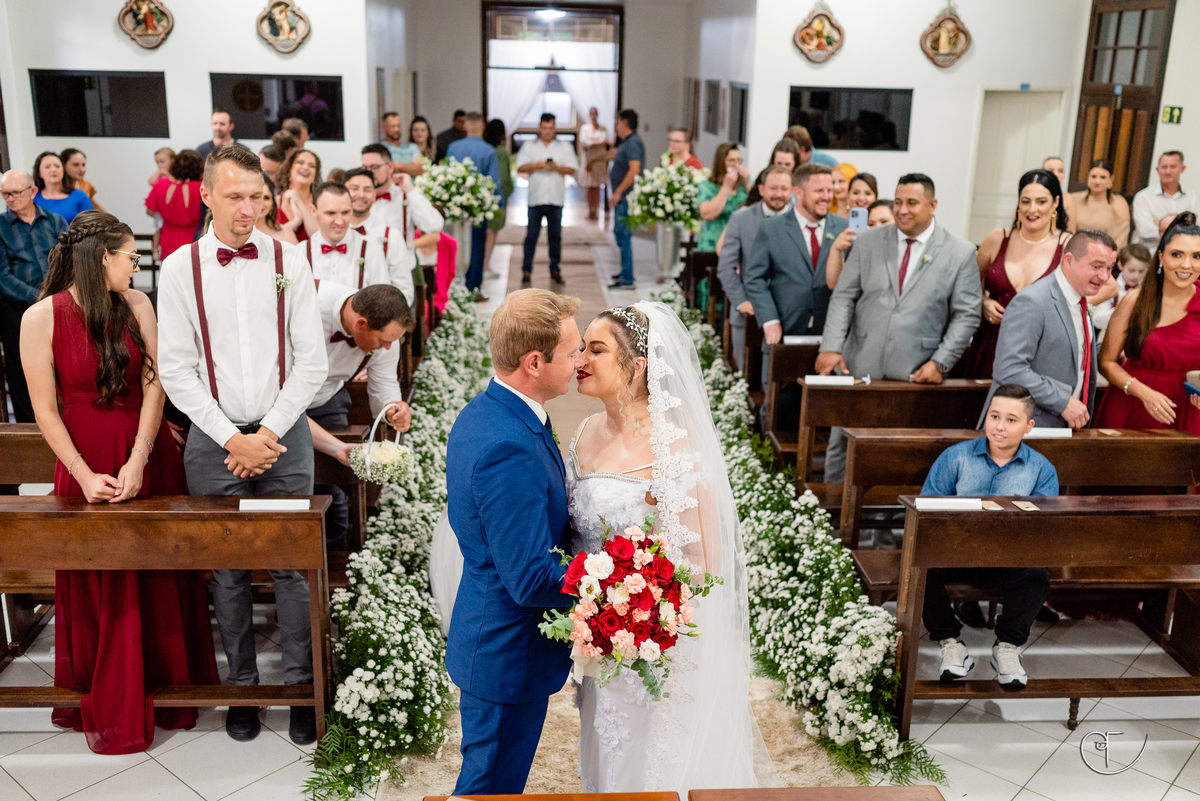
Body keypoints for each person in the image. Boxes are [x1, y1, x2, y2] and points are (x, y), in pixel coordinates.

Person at [20, 210, 220, 753]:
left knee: (157, 570)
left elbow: (156, 383)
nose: (137, 265)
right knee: (100, 574)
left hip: (145, 455)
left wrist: (140, 457)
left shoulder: (137, 304)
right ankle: (104, 689)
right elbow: (45, 410)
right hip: (82, 459)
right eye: (131, 256)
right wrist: (84, 474)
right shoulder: (39, 318)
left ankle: (166, 686)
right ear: (101, 257)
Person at [157, 144, 328, 745]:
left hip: (283, 436)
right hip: (214, 439)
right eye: (235, 196)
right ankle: (244, 691)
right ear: (206, 195)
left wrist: (269, 433)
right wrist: (234, 436)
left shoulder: (290, 259)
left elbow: (312, 360)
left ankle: (302, 689)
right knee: (226, 571)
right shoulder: (178, 268)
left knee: (293, 569)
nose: (248, 209)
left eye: (258, 196)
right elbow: (176, 371)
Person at [571, 303, 767, 794]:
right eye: (581, 347)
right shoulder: (583, 433)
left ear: (637, 367)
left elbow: (706, 563)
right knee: (605, 738)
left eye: (597, 350)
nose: (581, 359)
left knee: (648, 753)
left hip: (652, 638)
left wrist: (644, 616)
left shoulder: (675, 451)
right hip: (596, 629)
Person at [445, 289, 583, 794]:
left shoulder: (489, 411)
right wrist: (613, 576)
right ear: (533, 362)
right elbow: (529, 578)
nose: (580, 361)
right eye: (572, 352)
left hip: (493, 632)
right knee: (489, 788)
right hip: (507, 649)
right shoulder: (509, 446)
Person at [818, 173, 982, 481]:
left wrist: (940, 361)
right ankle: (830, 520)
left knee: (900, 453)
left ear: (933, 205)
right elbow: (843, 297)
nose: (902, 210)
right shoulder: (867, 241)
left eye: (911, 203)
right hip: (860, 362)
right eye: (897, 202)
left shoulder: (959, 252)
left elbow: (967, 314)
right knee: (842, 444)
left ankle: (889, 524)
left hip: (915, 371)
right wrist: (831, 346)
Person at [922, 384, 1058, 690]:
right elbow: (929, 512)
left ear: (1029, 426)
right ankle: (951, 642)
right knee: (920, 566)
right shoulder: (954, 457)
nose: (999, 426)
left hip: (1009, 555)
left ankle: (1007, 647)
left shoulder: (1041, 469)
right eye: (994, 416)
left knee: (1036, 574)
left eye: (1011, 420)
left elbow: (1043, 526)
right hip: (957, 550)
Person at [309, 280, 413, 550]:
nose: (388, 347)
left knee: (338, 489)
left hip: (326, 399)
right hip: (276, 399)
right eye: (384, 341)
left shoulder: (384, 333)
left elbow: (384, 383)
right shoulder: (308, 306)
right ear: (360, 325)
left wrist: (393, 407)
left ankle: (338, 560)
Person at [983, 228, 1118, 429]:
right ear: (1069, 260)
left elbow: (1069, 351)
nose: (1105, 276)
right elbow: (1009, 370)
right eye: (1097, 266)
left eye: (1110, 268)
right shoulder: (1033, 301)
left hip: (1061, 428)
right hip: (1027, 428)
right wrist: (1062, 400)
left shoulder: (1078, 298)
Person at [745, 164, 846, 426]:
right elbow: (755, 278)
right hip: (786, 330)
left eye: (829, 190)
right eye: (819, 190)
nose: (827, 196)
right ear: (798, 193)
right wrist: (769, 320)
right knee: (779, 407)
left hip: (830, 333)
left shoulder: (843, 228)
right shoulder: (772, 229)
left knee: (827, 407)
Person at [1095, 213, 1200, 433]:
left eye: (1197, 256)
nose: (1187, 265)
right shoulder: (1135, 301)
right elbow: (1106, 362)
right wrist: (1143, 392)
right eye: (1177, 254)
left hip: (1187, 411)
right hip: (1133, 404)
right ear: (1160, 256)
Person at [962, 169, 1072, 379]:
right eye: (1025, 201)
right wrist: (984, 303)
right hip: (991, 341)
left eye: (1041, 201)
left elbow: (1107, 287)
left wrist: (1061, 311)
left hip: (1039, 345)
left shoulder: (1067, 245)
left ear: (1055, 203)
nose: (1032, 209)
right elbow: (969, 287)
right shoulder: (997, 238)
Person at [1, 169, 69, 422]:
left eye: (16, 192)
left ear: (32, 192)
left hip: (57, 302)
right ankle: (30, 427)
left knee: (61, 364)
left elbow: (68, 259)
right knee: (21, 370)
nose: (10, 198)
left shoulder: (56, 222)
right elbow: (2, 275)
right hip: (17, 306)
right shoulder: (1, 225)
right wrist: (37, 296)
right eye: (5, 194)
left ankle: (62, 419)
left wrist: (56, 294)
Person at [720, 166, 794, 371]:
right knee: (747, 378)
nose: (778, 194)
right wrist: (742, 301)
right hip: (748, 314)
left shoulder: (799, 220)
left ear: (793, 191)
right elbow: (726, 267)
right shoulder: (741, 219)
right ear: (761, 190)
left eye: (784, 188)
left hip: (789, 316)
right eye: (773, 188)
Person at [303, 181, 407, 299]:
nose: (339, 221)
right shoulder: (300, 253)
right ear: (313, 211)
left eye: (345, 212)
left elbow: (382, 303)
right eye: (331, 213)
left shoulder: (371, 251)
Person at [447, 113, 505, 301]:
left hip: (456, 206)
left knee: (456, 243)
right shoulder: (488, 150)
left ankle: (455, 284)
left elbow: (449, 175)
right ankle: (473, 287)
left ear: (464, 125)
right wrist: (500, 205)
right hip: (479, 206)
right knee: (478, 245)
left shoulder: (453, 147)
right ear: (482, 126)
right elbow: (494, 182)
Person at [517, 113, 578, 288]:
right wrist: (537, 165)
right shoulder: (530, 146)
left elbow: (572, 169)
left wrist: (556, 167)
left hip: (555, 199)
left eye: (551, 128)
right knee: (531, 237)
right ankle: (526, 271)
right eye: (544, 128)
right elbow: (520, 166)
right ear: (539, 127)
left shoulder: (564, 146)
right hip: (535, 199)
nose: (547, 131)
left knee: (555, 237)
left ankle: (555, 270)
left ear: (555, 128)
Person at [361, 143, 443, 250]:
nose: (369, 173)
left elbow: (433, 225)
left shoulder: (405, 196)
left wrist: (410, 190)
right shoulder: (359, 199)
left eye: (374, 167)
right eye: (365, 168)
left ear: (390, 167)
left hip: (403, 265)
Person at [144, 148, 204, 261]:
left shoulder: (161, 184)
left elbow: (150, 210)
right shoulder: (201, 187)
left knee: (170, 275)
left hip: (168, 238)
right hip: (195, 238)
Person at [608, 109, 644, 290]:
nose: (616, 127)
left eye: (617, 123)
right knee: (620, 234)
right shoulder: (627, 142)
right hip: (624, 198)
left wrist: (618, 192)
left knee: (624, 236)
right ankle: (624, 272)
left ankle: (627, 278)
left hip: (627, 198)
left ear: (625, 123)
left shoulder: (633, 143)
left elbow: (634, 170)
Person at [1132, 151, 1197, 249]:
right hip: (1149, 253)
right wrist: (1183, 224)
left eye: (1173, 167)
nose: (1168, 171)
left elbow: (1197, 229)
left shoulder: (1194, 197)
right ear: (1157, 170)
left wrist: (1161, 225)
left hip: (1184, 252)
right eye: (1164, 167)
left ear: (1182, 168)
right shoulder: (1143, 197)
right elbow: (1145, 231)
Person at [697, 143, 749, 253]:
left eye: (739, 161)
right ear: (721, 162)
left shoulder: (745, 184)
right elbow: (708, 214)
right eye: (731, 161)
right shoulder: (707, 186)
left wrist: (748, 182)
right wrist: (726, 187)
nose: (736, 165)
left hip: (739, 245)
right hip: (712, 245)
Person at [1072, 159, 1130, 248]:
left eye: (1103, 177)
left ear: (1111, 179)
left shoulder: (1119, 203)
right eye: (1093, 176)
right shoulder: (1074, 199)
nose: (1097, 181)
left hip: (1105, 255)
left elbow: (1120, 239)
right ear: (1088, 177)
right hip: (1075, 251)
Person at [1093, 243, 1150, 330]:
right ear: (1120, 266)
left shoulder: (1148, 290)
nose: (1136, 276)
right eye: (1132, 270)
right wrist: (1122, 311)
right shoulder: (1110, 288)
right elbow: (1097, 321)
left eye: (1141, 271)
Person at [483, 119, 513, 279]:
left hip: (485, 196)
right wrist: (507, 194)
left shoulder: (486, 148)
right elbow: (503, 177)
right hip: (496, 197)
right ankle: (485, 266)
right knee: (491, 232)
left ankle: (485, 264)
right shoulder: (500, 152)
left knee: (487, 232)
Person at [275, 148, 322, 242]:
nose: (305, 167)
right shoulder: (275, 201)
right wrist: (297, 220)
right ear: (290, 169)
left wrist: (299, 202)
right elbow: (272, 238)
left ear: (315, 175)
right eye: (300, 162)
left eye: (312, 165)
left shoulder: (319, 202)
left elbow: (319, 236)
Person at [32, 152, 92, 223]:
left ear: (63, 170)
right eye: (47, 167)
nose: (53, 170)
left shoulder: (80, 196)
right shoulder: (33, 198)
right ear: (39, 173)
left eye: (57, 166)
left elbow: (91, 225)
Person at [578, 107, 611, 220]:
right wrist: (596, 142)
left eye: (595, 114)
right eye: (591, 114)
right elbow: (584, 142)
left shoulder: (602, 128)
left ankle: (595, 210)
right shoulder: (585, 128)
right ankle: (590, 210)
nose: (593, 116)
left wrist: (592, 142)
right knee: (589, 185)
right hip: (588, 159)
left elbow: (605, 141)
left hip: (599, 160)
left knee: (596, 186)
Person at [255, 173, 298, 245]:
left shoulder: (286, 234)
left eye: (266, 198)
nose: (261, 203)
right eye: (256, 197)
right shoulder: (232, 234)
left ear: (272, 203)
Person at [60, 149, 105, 213]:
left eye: (83, 165)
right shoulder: (56, 185)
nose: (82, 169)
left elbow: (95, 207)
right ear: (63, 164)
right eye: (76, 165)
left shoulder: (86, 185)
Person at [1040, 156, 1078, 231]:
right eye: (1051, 170)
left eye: (1060, 171)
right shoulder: (1031, 196)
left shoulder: (1068, 198)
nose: (1056, 174)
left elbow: (1071, 231)